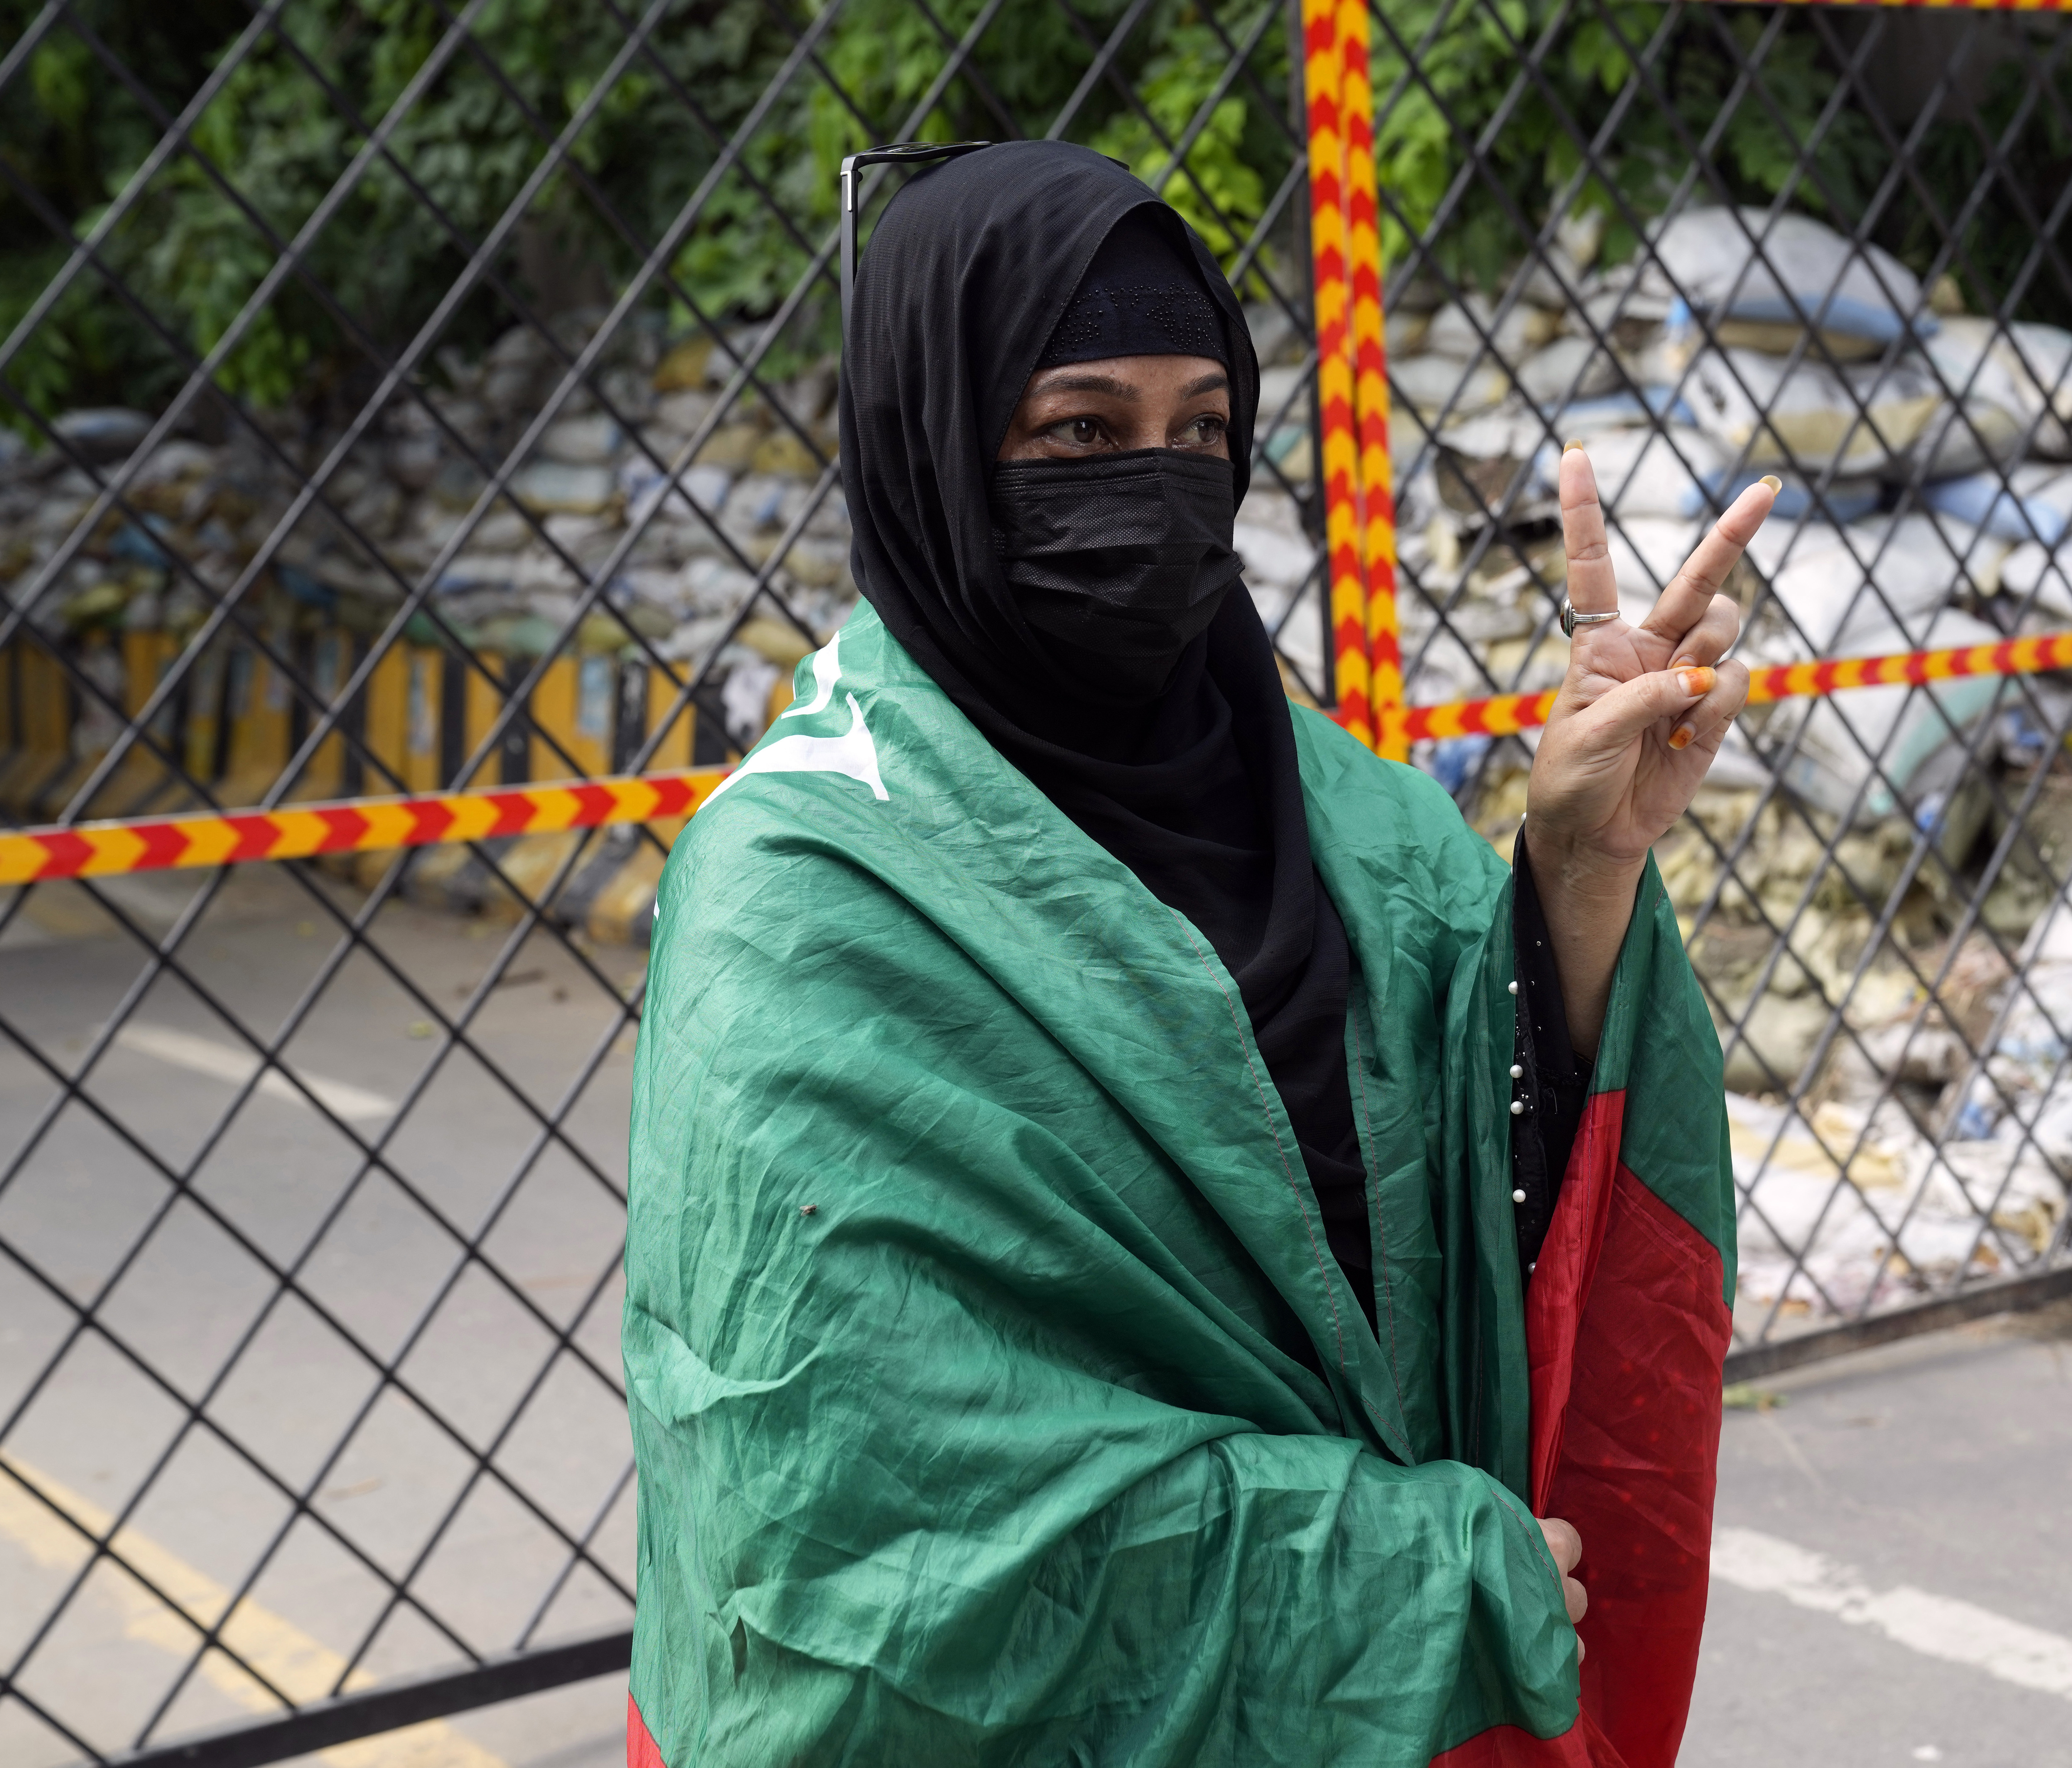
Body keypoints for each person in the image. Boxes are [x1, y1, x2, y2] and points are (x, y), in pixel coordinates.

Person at [621, 139, 1778, 1767]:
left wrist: (1580, 868)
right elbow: (859, 1507)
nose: (1155, 489)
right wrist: (1386, 1576)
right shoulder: (804, 881)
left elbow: (1495, 1219)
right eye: (1081, 432)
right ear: (935, 446)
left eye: (1202, 434)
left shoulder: (1343, 824)